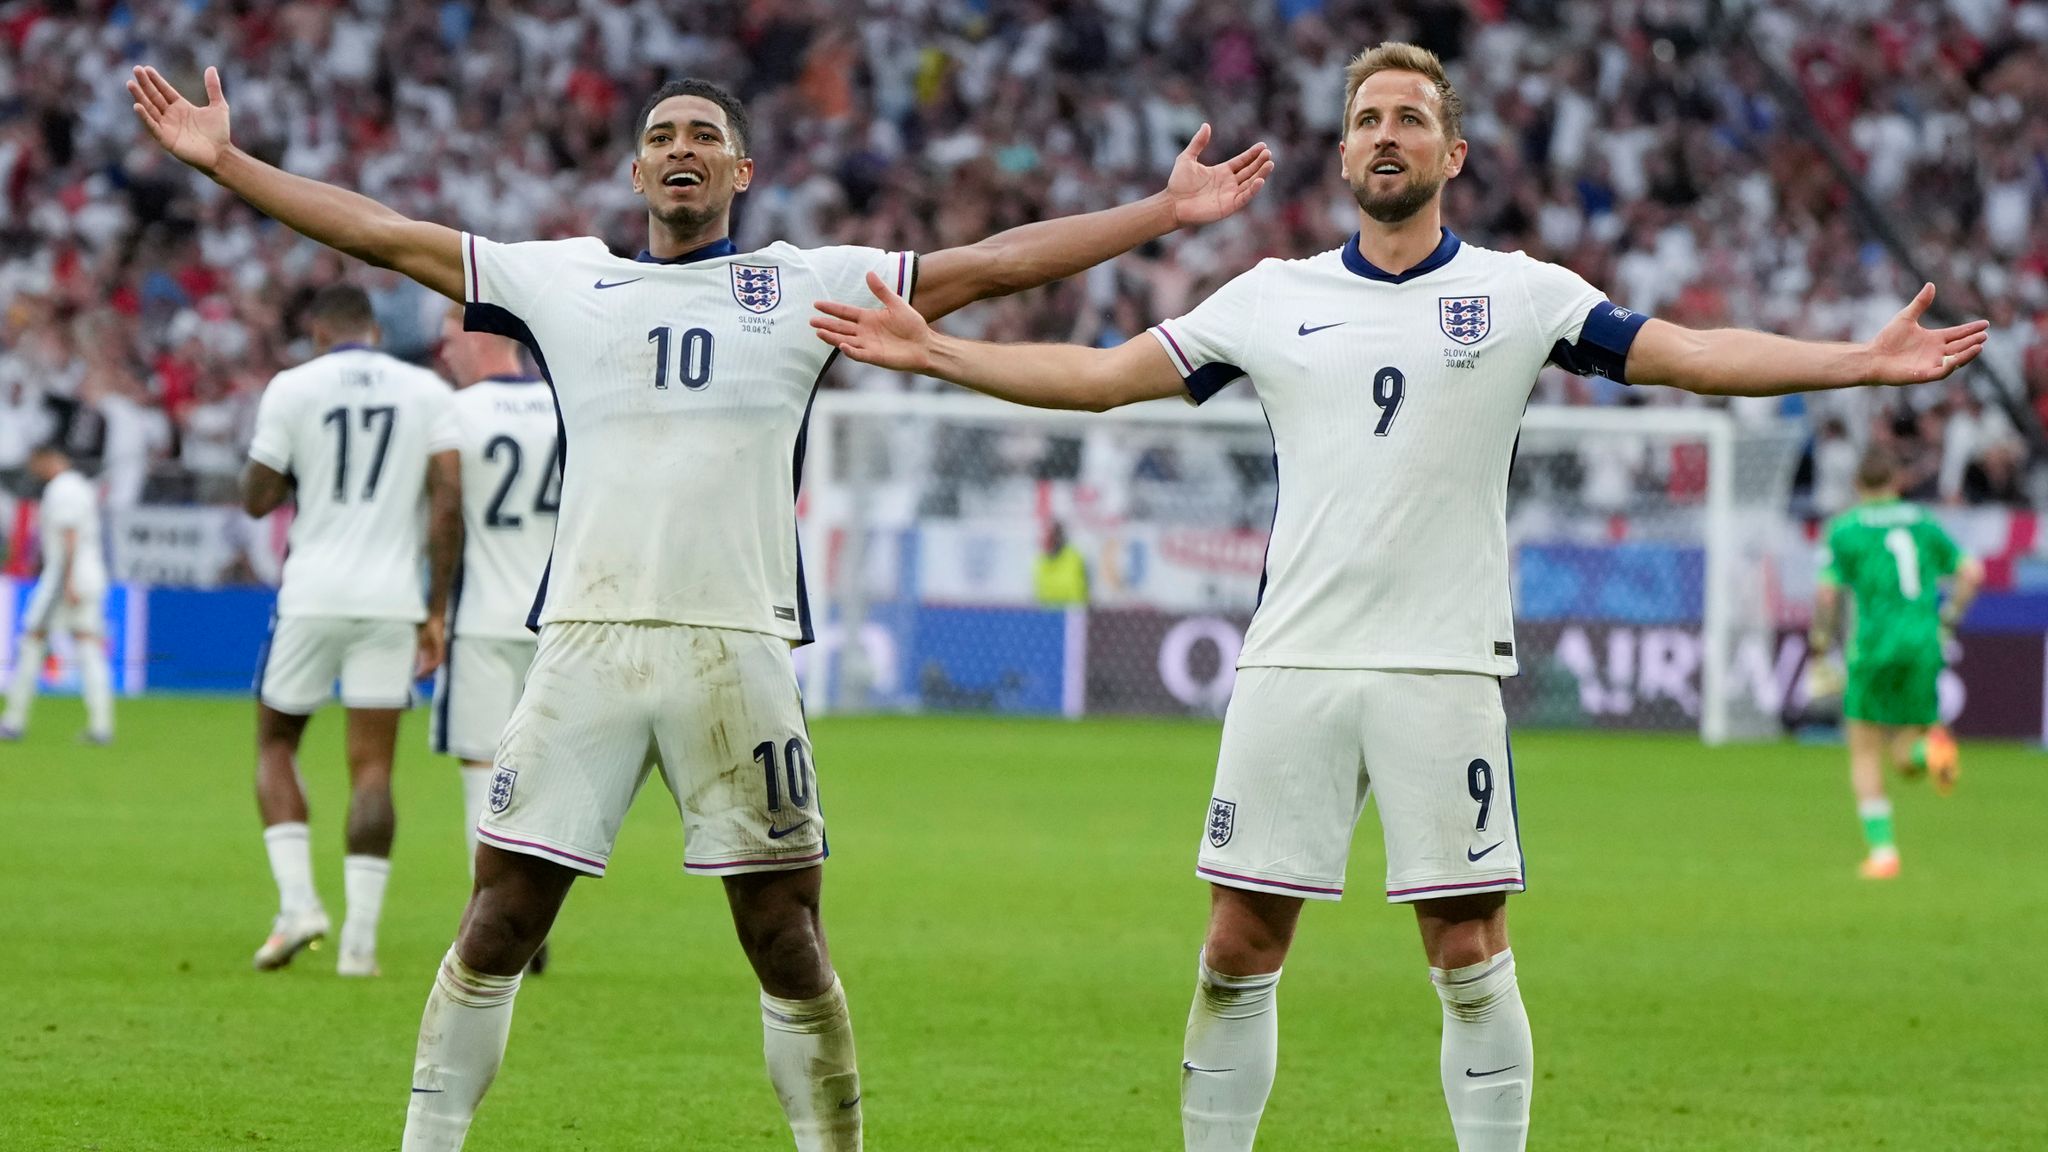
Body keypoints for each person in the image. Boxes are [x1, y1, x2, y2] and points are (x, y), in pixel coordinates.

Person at [809, 40, 1988, 1152]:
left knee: (1466, 946)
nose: (1386, 135)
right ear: (1339, 153)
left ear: (1450, 155)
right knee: (1235, 943)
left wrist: (1854, 360)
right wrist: (943, 354)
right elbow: (1106, 378)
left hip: (1443, 666)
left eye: (1409, 120)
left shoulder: (1523, 294)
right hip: (1294, 665)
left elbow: (1685, 350)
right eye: (1366, 119)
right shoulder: (1266, 296)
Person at [128, 62, 1270, 1151]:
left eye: (704, 138)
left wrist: (1158, 213)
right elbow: (377, 233)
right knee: (499, 923)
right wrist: (228, 164)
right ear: (635, 175)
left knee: (783, 934)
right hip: (586, 645)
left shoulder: (807, 282)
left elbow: (989, 263)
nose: (682, 150)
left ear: (742, 173)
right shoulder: (564, 278)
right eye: (663, 137)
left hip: (738, 650)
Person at [242, 284, 463, 978]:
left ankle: (300, 903)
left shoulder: (293, 386)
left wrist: (298, 467)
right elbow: (447, 502)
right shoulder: (426, 389)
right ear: (372, 330)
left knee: (277, 742)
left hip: (311, 593)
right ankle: (360, 947)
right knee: (372, 768)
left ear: (317, 333)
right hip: (392, 597)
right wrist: (436, 607)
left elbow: (257, 499)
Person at [428, 303, 558, 971]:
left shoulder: (458, 412)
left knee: (482, 767)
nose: (443, 349)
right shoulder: (565, 403)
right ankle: (532, 917)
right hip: (557, 623)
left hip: (480, 616)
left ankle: (491, 914)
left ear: (479, 337)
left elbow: (445, 511)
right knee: (541, 773)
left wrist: (431, 610)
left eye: (450, 336)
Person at [1808, 446, 1981, 879]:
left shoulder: (1845, 529)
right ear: (1896, 483)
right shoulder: (1922, 522)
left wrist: (1820, 646)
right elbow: (1972, 573)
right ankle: (1933, 749)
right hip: (1924, 644)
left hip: (1873, 648)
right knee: (1906, 756)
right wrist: (1948, 621)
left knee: (1865, 749)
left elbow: (1828, 595)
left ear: (1857, 486)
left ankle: (1884, 854)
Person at [1, 444, 112, 744]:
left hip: (65, 578)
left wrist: (69, 582)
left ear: (49, 459)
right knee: (88, 645)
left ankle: (13, 720)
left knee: (31, 641)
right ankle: (101, 725)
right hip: (85, 575)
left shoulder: (62, 490)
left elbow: (69, 535)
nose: (34, 472)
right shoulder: (80, 486)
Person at [1033, 521, 1089, 605]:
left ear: (1059, 537)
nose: (1048, 541)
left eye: (1052, 537)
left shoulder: (1074, 558)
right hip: (1047, 613)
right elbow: (1039, 593)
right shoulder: (1041, 562)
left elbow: (1081, 591)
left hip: (1072, 612)